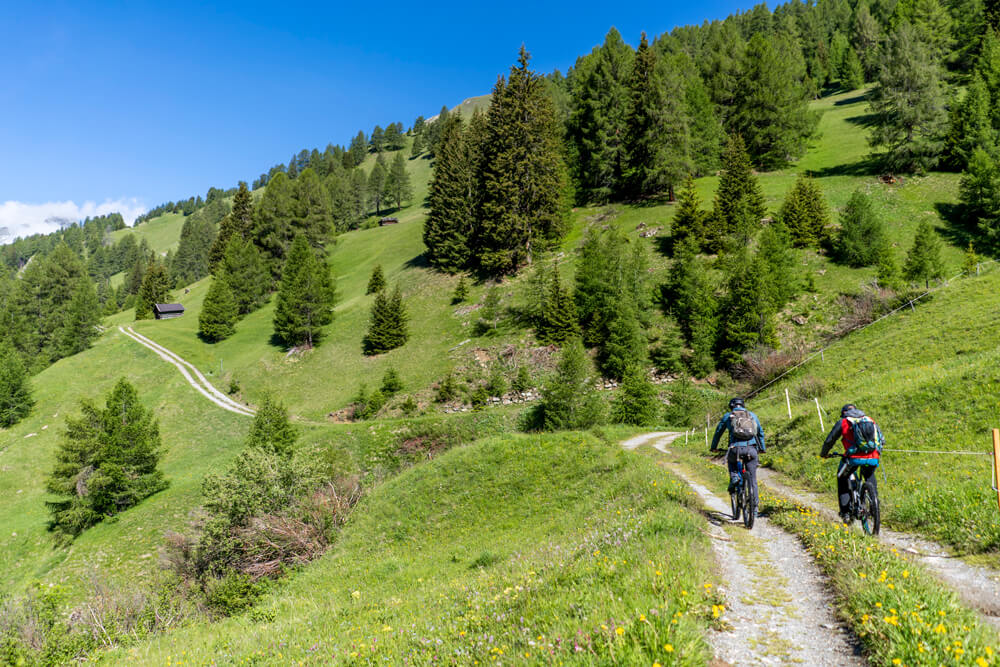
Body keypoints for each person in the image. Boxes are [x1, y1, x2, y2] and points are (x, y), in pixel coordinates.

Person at [820, 403, 882, 523]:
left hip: (852, 458)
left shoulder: (844, 422)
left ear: (843, 413)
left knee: (842, 477)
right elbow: (881, 439)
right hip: (873, 457)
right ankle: (874, 505)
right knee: (869, 475)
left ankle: (845, 513)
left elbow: (830, 440)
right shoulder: (870, 420)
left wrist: (824, 453)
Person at [710, 398, 765, 507]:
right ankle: (754, 508)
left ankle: (735, 477)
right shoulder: (752, 415)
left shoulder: (728, 416)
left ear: (731, 406)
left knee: (732, 462)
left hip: (735, 449)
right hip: (751, 449)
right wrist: (762, 448)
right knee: (753, 478)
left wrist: (714, 447)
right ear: (743, 405)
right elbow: (760, 432)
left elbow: (718, 432)